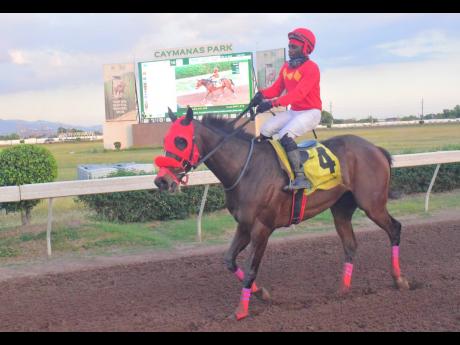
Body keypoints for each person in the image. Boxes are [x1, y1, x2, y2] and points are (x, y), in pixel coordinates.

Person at [250, 27, 322, 191]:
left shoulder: (311, 68)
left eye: (294, 47)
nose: (290, 50)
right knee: (266, 129)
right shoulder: (286, 67)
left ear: (305, 48)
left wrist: (272, 103)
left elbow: (299, 94)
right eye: (289, 46)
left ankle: (300, 177)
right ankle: (268, 168)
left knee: (285, 135)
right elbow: (275, 89)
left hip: (311, 112)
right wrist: (260, 95)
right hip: (295, 112)